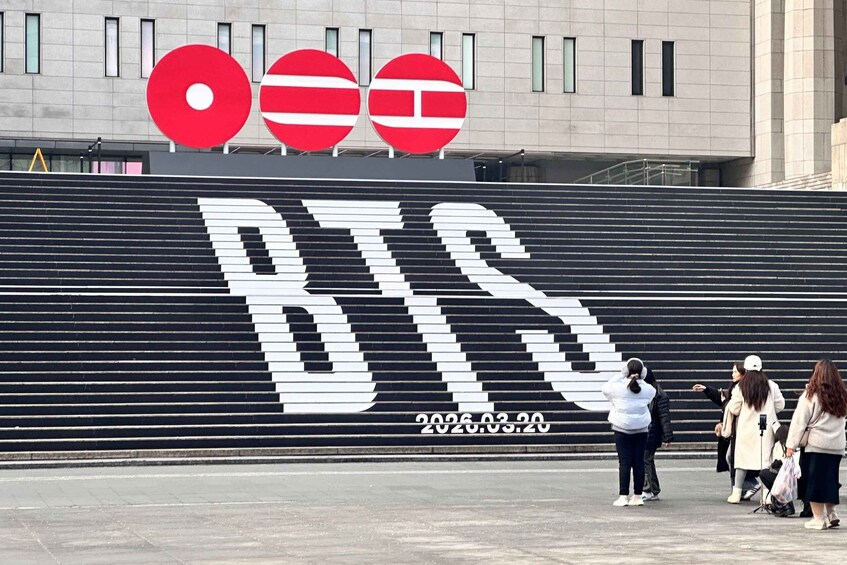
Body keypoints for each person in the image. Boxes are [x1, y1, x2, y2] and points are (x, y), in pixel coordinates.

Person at [785, 360, 847, 530]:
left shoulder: (810, 395)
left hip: (816, 445)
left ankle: (819, 518)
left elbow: (799, 422)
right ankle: (832, 513)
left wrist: (791, 445)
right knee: (830, 480)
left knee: (814, 482)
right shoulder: (842, 395)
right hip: (837, 446)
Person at [721, 355, 784, 504]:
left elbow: (735, 409)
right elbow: (780, 405)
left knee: (742, 461)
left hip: (746, 429)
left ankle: (736, 493)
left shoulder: (740, 387)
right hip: (765, 427)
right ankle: (766, 495)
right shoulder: (772, 385)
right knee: (765, 461)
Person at [693, 361, 758, 499]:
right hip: (733, 430)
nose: (732, 374)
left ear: (743, 373)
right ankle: (740, 490)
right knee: (732, 458)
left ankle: (749, 484)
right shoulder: (735, 388)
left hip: (738, 430)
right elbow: (723, 401)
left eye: (735, 372)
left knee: (733, 458)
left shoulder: (742, 389)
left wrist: (725, 422)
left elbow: (733, 408)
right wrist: (706, 390)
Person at [602, 358, 656, 507]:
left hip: (621, 429)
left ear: (626, 371)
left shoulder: (617, 388)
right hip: (641, 429)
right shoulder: (648, 389)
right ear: (642, 372)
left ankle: (623, 496)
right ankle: (637, 496)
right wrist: (641, 379)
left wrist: (621, 375)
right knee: (639, 462)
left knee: (624, 462)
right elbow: (651, 393)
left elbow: (605, 388)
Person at [642, 368, 673, 501]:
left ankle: (648, 489)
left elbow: (664, 417)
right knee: (647, 460)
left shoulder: (659, 395)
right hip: (646, 431)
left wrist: (667, 437)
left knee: (645, 460)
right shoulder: (649, 393)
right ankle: (653, 489)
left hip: (652, 433)